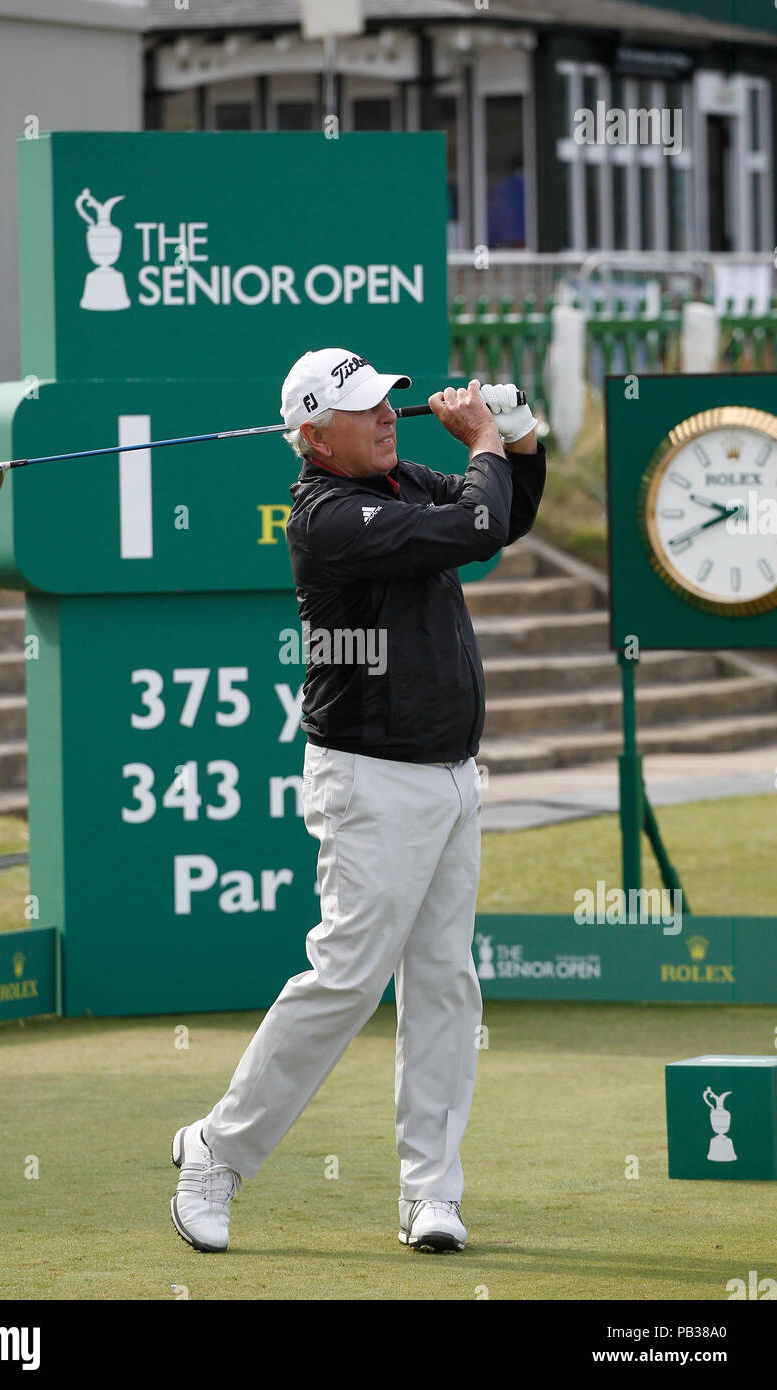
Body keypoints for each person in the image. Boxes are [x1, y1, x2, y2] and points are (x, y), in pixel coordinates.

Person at [170, 348, 546, 1254]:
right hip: (372, 779)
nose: (386, 415)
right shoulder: (330, 517)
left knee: (446, 987)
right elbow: (477, 526)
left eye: (386, 401)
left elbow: (506, 512)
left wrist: (518, 434)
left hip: (453, 775)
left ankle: (431, 1195)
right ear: (313, 436)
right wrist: (486, 443)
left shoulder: (396, 475)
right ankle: (216, 1155)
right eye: (364, 408)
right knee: (345, 980)